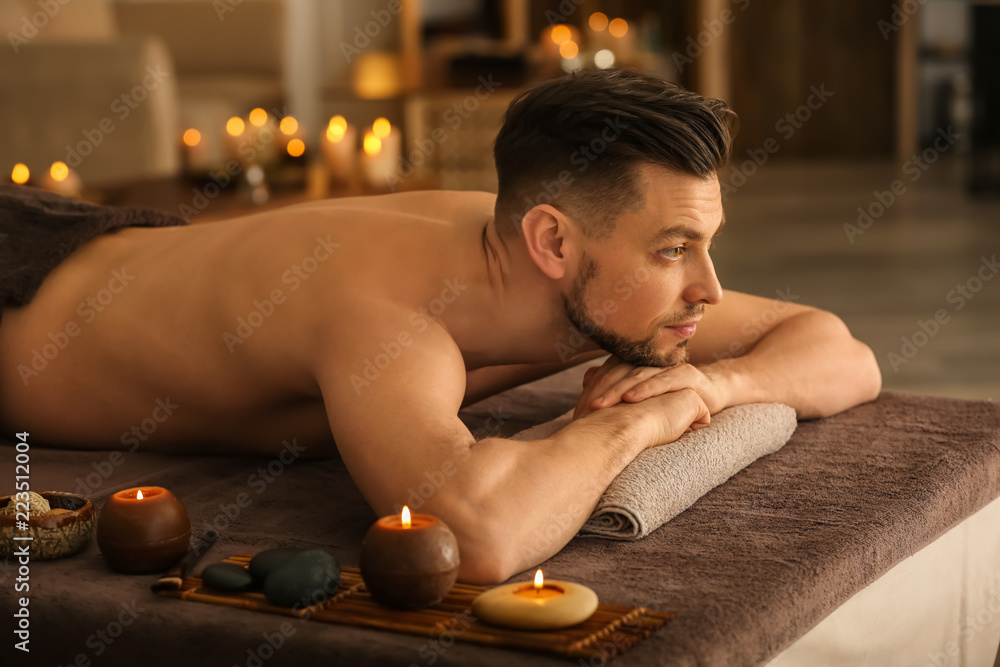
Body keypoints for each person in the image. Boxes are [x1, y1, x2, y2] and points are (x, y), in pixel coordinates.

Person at [0, 69, 880, 583]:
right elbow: (477, 538)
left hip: (102, 239)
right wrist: (646, 416)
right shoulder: (389, 317)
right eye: (674, 249)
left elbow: (837, 347)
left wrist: (719, 382)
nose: (711, 289)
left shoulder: (561, 261)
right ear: (553, 241)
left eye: (704, 245)